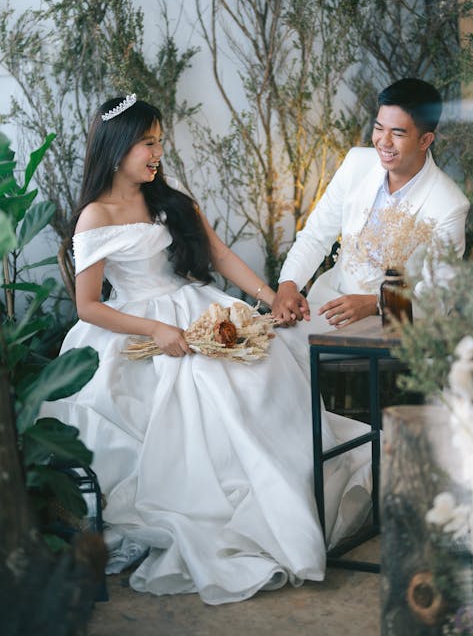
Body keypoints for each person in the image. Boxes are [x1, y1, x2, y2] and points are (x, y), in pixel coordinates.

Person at [40, 94, 372, 605]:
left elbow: (218, 256)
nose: (157, 153)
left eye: (158, 141)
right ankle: (216, 508)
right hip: (136, 324)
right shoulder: (95, 216)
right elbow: (87, 306)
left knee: (263, 368)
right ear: (116, 147)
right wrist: (153, 330)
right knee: (202, 391)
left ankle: (294, 487)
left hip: (195, 309)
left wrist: (273, 298)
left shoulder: (169, 199)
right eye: (147, 143)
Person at [272, 78, 470, 328]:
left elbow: (438, 297)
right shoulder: (357, 163)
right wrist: (288, 284)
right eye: (379, 128)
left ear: (425, 140)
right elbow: (315, 235)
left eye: (398, 133)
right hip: (325, 307)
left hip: (389, 325)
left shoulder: (449, 204)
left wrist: (376, 304)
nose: (384, 142)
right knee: (263, 348)